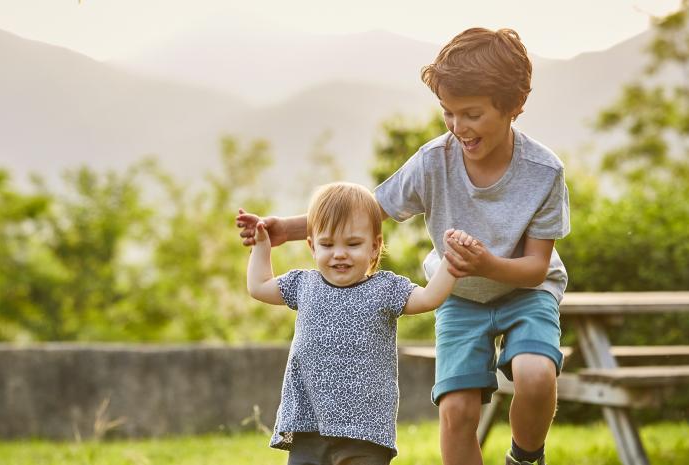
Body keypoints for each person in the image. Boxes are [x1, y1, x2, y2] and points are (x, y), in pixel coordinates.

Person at [238, 27, 570, 465]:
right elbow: (370, 208)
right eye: (448, 113)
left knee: (535, 374)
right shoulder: (434, 160)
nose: (458, 128)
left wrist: (486, 263)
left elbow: (534, 267)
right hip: (459, 298)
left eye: (471, 114)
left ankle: (526, 458)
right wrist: (290, 228)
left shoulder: (543, 171)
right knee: (457, 410)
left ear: (515, 107)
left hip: (527, 292)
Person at [247, 181, 467, 465]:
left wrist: (451, 262)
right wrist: (261, 246)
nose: (339, 253)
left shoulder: (386, 288)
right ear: (312, 246)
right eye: (327, 244)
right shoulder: (304, 284)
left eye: (353, 244)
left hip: (366, 431)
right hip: (308, 425)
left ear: (375, 247)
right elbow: (260, 286)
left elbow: (428, 298)